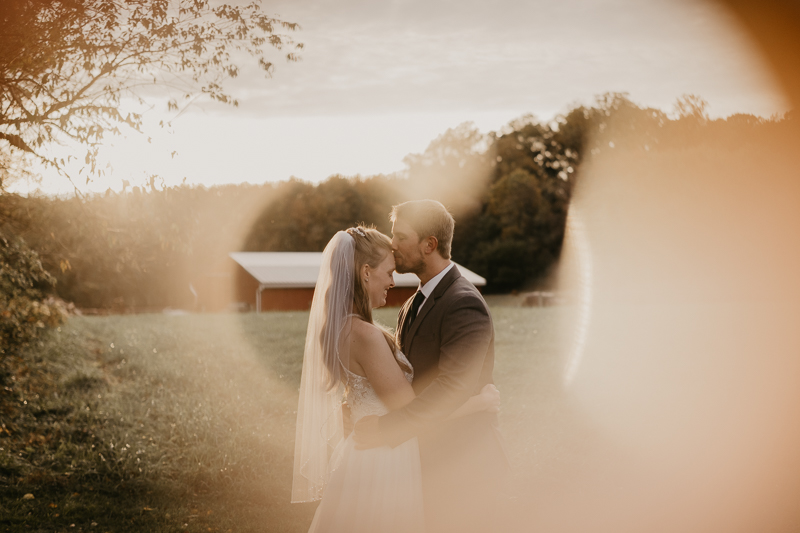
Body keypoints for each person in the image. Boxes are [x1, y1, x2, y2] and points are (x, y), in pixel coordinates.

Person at [291, 225, 499, 533]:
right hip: (383, 459)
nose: (393, 280)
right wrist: (481, 403)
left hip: (367, 451)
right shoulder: (365, 335)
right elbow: (410, 407)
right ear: (365, 272)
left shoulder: (340, 328)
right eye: (388, 273)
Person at [354, 200, 509, 533]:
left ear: (429, 244)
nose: (392, 244)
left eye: (401, 236)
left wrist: (385, 429)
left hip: (464, 465)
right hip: (424, 460)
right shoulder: (412, 303)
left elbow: (452, 388)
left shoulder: (463, 302)